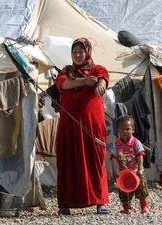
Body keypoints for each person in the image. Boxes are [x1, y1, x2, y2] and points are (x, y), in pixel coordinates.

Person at [55, 37, 109, 215]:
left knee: (94, 160)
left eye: (81, 51)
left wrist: (100, 84)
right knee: (68, 160)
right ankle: (65, 203)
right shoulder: (67, 71)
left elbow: (103, 79)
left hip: (92, 127)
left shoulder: (97, 69)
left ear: (88, 52)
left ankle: (100, 201)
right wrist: (85, 82)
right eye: (74, 52)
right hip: (69, 127)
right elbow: (64, 83)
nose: (77, 55)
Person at [111, 115, 149, 214]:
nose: (125, 131)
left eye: (128, 129)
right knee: (122, 189)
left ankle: (144, 206)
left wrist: (140, 169)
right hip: (123, 172)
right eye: (122, 129)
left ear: (133, 130)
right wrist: (116, 171)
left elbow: (140, 155)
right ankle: (126, 207)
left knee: (142, 187)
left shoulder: (136, 142)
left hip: (136, 170)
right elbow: (114, 158)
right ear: (118, 130)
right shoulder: (116, 144)